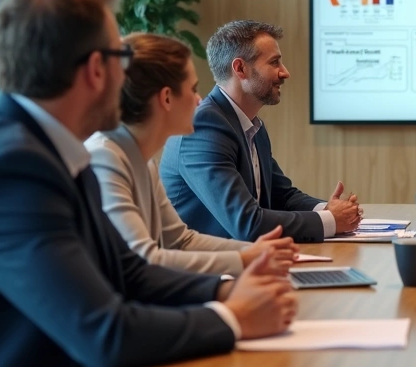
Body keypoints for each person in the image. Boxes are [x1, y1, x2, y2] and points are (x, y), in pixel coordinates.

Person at [0, 0, 296, 367]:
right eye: (122, 56)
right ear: (97, 70)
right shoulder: (10, 170)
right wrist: (232, 317)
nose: (128, 75)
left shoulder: (48, 148)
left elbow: (129, 272)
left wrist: (224, 291)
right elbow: (104, 333)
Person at [88, 33, 299, 276]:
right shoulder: (105, 157)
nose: (200, 100)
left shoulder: (141, 161)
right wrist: (243, 261)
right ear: (167, 97)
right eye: (193, 89)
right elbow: (144, 258)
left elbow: (181, 241)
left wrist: (257, 253)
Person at [161, 20, 361, 242]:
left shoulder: (251, 125)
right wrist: (331, 221)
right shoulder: (204, 126)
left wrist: (327, 209)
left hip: (243, 261)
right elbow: (246, 223)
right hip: (204, 270)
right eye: (274, 63)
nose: (285, 73)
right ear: (240, 69)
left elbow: (281, 196)